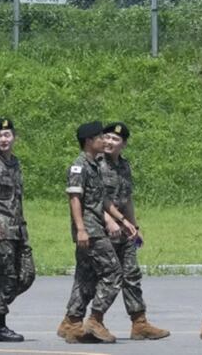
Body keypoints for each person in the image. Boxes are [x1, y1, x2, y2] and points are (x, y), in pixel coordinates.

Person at [56, 121, 137, 344]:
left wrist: (123, 221)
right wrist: (81, 229)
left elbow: (103, 200)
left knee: (86, 276)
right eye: (101, 137)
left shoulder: (94, 166)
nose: (105, 140)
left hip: (96, 227)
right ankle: (95, 319)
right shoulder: (79, 166)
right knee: (113, 273)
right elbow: (75, 199)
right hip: (90, 230)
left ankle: (73, 324)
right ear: (90, 141)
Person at [96, 122, 170, 340]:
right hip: (102, 228)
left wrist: (134, 227)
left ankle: (139, 323)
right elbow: (95, 199)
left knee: (131, 275)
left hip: (123, 228)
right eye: (107, 137)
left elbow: (126, 199)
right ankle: (91, 321)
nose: (109, 142)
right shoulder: (96, 165)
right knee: (104, 277)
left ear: (124, 144)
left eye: (115, 139)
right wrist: (110, 221)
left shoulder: (124, 166)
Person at [0, 117, 36, 342]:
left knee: (27, 275)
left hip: (18, 229)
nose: (4, 139)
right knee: (6, 277)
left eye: (7, 135)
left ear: (14, 138)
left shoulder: (15, 163)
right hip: (0, 228)